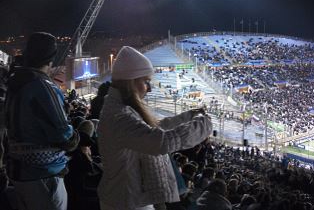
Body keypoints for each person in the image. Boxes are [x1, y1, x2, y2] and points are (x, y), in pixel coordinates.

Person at [97, 46, 214, 210]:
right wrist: (204, 125)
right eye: (146, 82)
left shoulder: (120, 109)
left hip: (128, 197)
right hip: (126, 202)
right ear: (132, 82)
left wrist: (188, 116)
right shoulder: (120, 117)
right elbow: (161, 142)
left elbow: (154, 128)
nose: (149, 88)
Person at [5, 32, 79, 210]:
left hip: (18, 170)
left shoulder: (15, 81)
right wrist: (77, 135)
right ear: (50, 59)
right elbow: (64, 136)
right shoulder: (42, 86)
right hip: (42, 174)